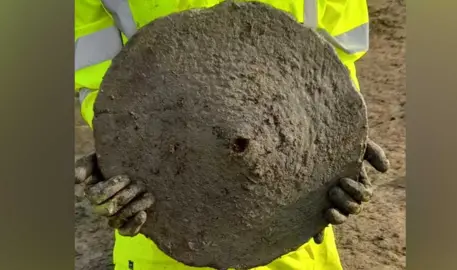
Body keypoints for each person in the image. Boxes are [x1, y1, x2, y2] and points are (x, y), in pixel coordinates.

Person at [74, 0, 390, 269]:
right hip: (164, 225)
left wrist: (343, 140)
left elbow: (338, 58)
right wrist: (116, 149)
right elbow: (94, 76)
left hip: (292, 228)